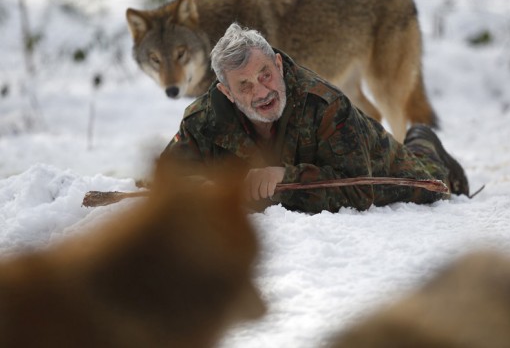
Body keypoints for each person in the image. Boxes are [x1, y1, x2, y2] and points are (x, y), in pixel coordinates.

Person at [163, 23, 469, 214]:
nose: (262, 92)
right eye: (244, 86)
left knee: (431, 184)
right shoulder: (202, 120)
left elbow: (359, 191)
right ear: (227, 93)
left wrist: (284, 178)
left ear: (279, 65)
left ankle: (423, 139)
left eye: (265, 75)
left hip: (381, 163)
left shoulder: (324, 104)